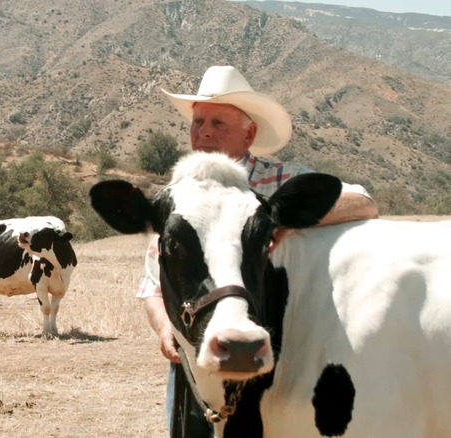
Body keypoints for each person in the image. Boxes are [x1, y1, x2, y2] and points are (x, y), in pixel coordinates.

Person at [140, 65, 379, 437]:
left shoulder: (281, 180)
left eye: (219, 122)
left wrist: (274, 220)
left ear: (249, 133)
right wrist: (162, 327)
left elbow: (363, 202)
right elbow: (152, 284)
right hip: (199, 358)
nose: (203, 131)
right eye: (198, 121)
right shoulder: (178, 198)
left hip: (273, 359)